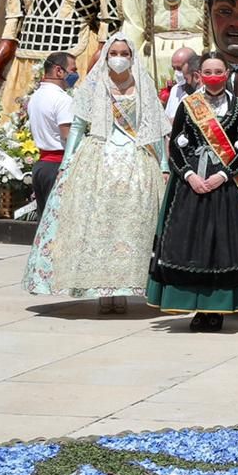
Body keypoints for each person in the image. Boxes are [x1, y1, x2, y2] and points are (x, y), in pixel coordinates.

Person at [22, 33, 166, 311]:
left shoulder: (144, 85)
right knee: (99, 227)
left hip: (136, 162)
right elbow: (77, 126)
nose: (119, 58)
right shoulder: (95, 85)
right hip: (98, 158)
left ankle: (124, 289)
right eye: (114, 53)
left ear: (132, 57)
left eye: (125, 53)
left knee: (130, 228)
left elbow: (155, 129)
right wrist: (68, 162)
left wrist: (163, 164)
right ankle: (102, 291)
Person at [147, 51, 238, 331]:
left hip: (226, 188)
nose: (214, 76)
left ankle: (218, 308)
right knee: (191, 245)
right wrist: (190, 176)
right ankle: (195, 307)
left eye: (219, 71)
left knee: (224, 246)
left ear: (227, 74)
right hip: (191, 187)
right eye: (208, 72)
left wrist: (223, 175)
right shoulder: (188, 106)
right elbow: (176, 147)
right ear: (199, 76)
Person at [26, 51, 77, 209]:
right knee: (57, 222)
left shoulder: (35, 97)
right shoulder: (62, 99)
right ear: (59, 71)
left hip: (41, 167)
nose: (76, 74)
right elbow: (68, 136)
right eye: (73, 70)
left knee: (44, 222)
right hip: (58, 166)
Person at [164, 46, 201, 120]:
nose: (176, 73)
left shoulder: (203, 93)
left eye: (179, 68)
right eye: (174, 68)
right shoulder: (175, 90)